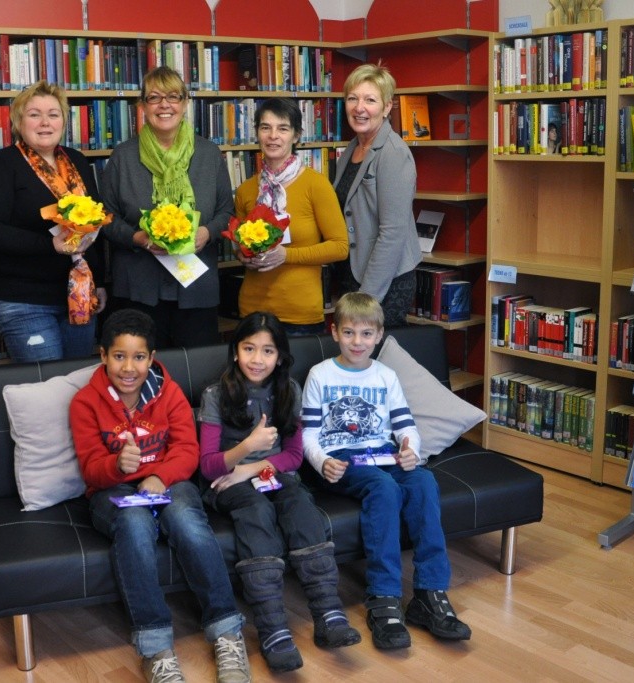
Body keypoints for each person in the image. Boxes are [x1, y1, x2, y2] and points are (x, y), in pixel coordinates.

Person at [70, 309, 251, 683]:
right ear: (102, 355)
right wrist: (118, 467)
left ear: (152, 358)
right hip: (112, 490)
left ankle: (226, 631)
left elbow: (187, 451)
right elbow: (90, 469)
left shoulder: (169, 392)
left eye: (139, 357)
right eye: (119, 356)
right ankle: (155, 647)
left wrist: (159, 476)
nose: (128, 367)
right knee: (135, 526)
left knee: (187, 523)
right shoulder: (85, 403)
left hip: (168, 481)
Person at [301, 292, 471, 650]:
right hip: (341, 458)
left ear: (378, 335)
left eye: (366, 334)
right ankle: (383, 597)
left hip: (382, 453)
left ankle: (429, 592)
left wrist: (412, 451)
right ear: (334, 333)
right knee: (384, 488)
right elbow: (309, 433)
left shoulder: (386, 375)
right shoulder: (320, 374)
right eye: (349, 333)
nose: (357, 342)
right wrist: (321, 462)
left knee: (423, 480)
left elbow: (405, 426)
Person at [199, 312, 361, 673]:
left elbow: (292, 455)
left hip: (270, 473)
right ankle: (273, 629)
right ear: (235, 351)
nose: (257, 359)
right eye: (249, 348)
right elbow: (209, 466)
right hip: (228, 484)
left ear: (280, 357)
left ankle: (328, 614)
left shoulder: (289, 391)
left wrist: (254, 466)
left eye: (268, 351)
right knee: (256, 513)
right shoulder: (215, 394)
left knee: (300, 505)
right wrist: (246, 448)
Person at [0, 80, 106, 362]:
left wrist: (101, 282)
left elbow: (94, 226)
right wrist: (50, 245)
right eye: (34, 114)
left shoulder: (78, 161)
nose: (45, 122)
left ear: (63, 121)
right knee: (46, 388)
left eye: (53, 114)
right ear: (19, 122)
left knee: (76, 383)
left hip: (78, 296)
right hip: (23, 300)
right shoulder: (2, 164)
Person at [100, 66, 232, 348]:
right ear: (142, 106)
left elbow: (227, 213)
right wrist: (138, 238)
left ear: (185, 103)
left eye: (173, 96)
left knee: (195, 374)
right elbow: (106, 218)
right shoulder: (123, 156)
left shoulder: (209, 154)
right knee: (140, 377)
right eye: (154, 97)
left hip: (196, 289)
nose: (164, 105)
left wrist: (207, 233)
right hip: (138, 289)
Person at [233, 99, 348, 336]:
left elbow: (340, 247)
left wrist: (286, 255)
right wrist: (244, 256)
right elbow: (240, 247)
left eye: (282, 128)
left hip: (299, 316)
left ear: (296, 136)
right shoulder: (246, 190)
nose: (273, 135)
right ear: (257, 133)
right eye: (266, 127)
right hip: (252, 312)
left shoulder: (316, 185)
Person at [333, 64, 421, 328]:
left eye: (370, 100)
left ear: (386, 108)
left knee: (376, 359)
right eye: (352, 98)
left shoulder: (393, 153)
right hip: (354, 273)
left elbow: (392, 233)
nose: (359, 108)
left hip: (385, 282)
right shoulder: (352, 148)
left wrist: (366, 298)